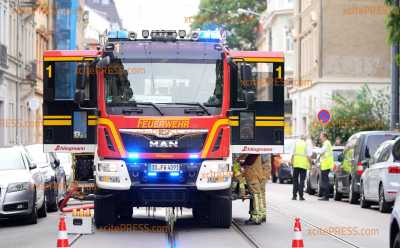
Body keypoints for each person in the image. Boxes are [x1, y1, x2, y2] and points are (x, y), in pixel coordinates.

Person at [240, 154, 265, 225]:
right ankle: (258, 216)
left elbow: (249, 161)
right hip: (256, 177)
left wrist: (241, 162)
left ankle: (256, 218)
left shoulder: (254, 154)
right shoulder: (257, 154)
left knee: (256, 196)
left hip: (253, 177)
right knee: (257, 195)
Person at [291, 135, 312, 201]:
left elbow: (292, 154)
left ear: (300, 138)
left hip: (296, 164)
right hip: (303, 165)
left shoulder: (296, 143)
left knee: (295, 180)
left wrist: (291, 162)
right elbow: (308, 156)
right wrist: (311, 164)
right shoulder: (306, 145)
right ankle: (301, 196)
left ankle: (294, 196)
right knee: (302, 180)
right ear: (305, 139)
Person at [318, 132, 334, 201]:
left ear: (324, 137)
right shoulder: (327, 143)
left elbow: (322, 152)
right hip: (326, 164)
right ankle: (325, 196)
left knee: (325, 181)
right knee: (325, 180)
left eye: (321, 136)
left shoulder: (326, 143)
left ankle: (326, 196)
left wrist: (317, 151)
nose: (320, 138)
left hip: (326, 164)